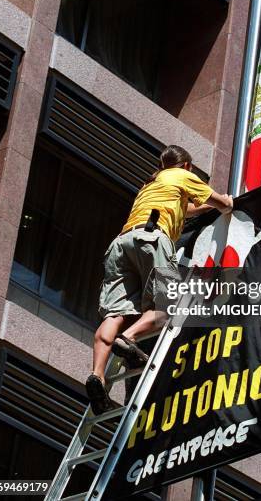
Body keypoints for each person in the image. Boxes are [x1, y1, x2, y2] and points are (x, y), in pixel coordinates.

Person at [86, 145, 233, 414]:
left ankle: (97, 374)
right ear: (186, 165)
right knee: (168, 307)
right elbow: (221, 205)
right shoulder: (182, 174)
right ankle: (128, 338)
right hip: (154, 240)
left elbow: (184, 209)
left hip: (121, 245)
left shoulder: (151, 182)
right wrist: (228, 201)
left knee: (114, 314)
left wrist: (197, 208)